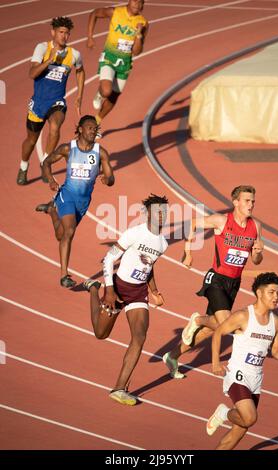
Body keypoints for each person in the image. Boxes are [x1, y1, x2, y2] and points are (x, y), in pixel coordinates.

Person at [163, 185, 264, 379]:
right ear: (235, 202)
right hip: (216, 279)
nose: (251, 204)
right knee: (226, 323)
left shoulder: (256, 227)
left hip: (234, 283)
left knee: (210, 330)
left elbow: (256, 260)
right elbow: (192, 223)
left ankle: (173, 356)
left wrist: (258, 253)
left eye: (253, 201)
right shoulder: (222, 220)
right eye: (247, 200)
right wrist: (188, 252)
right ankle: (197, 319)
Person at [83, 194, 168, 405]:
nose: (162, 214)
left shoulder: (163, 243)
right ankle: (94, 289)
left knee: (139, 337)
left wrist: (155, 290)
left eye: (164, 211)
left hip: (138, 293)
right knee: (100, 333)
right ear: (148, 213)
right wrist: (109, 291)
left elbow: (149, 266)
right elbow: (109, 258)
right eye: (158, 211)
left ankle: (119, 388)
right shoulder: (134, 233)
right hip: (118, 288)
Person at [206, 272, 278, 450]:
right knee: (249, 417)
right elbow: (218, 333)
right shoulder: (243, 316)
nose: (276, 296)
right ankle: (224, 413)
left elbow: (276, 351)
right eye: (272, 292)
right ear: (259, 293)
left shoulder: (276, 322)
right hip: (237, 374)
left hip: (256, 379)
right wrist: (215, 363)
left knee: (236, 434)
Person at [35, 115, 114, 288]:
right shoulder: (68, 149)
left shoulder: (100, 153)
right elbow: (46, 163)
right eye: (90, 127)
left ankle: (51, 210)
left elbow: (111, 179)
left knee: (61, 235)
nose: (93, 131)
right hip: (67, 195)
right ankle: (64, 275)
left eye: (95, 128)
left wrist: (106, 180)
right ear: (80, 129)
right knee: (69, 232)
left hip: (83, 202)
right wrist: (50, 180)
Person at [17, 16, 85, 185]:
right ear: (53, 32)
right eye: (61, 32)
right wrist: (49, 60)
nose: (64, 36)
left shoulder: (74, 54)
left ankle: (46, 163)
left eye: (67, 33)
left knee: (55, 126)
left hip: (57, 102)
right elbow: (32, 74)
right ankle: (23, 167)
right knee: (31, 141)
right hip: (38, 103)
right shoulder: (42, 48)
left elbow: (80, 71)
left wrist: (79, 95)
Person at [87, 0, 148, 124]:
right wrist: (90, 37)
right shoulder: (115, 12)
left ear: (143, 5)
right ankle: (99, 94)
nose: (137, 4)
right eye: (135, 1)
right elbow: (94, 13)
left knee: (114, 95)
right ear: (129, 1)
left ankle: (97, 121)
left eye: (140, 2)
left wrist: (138, 35)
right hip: (109, 57)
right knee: (106, 91)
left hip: (125, 63)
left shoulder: (144, 23)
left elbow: (137, 52)